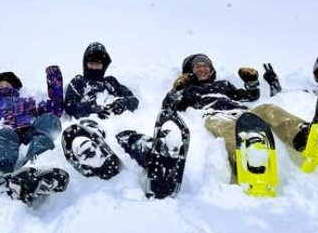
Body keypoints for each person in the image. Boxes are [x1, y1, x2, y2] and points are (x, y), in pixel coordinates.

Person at [117, 53, 270, 170]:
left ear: (211, 69)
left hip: (242, 112)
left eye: (205, 66)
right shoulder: (189, 89)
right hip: (215, 115)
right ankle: (245, 162)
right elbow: (168, 107)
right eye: (197, 66)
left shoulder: (223, 84)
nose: (202, 69)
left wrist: (252, 82)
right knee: (229, 130)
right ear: (190, 71)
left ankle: (287, 135)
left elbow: (249, 96)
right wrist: (177, 91)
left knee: (270, 110)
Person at [64, 42, 139, 119]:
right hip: (86, 123)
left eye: (98, 64)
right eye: (91, 63)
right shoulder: (78, 82)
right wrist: (91, 108)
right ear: (86, 64)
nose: (94, 67)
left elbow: (133, 99)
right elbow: (69, 106)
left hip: (116, 123)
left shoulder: (110, 82)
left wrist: (121, 104)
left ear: (103, 65)